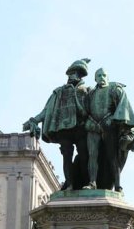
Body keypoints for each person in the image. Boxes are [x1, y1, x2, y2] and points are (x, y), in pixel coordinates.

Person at [22, 59, 90, 190]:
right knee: (66, 157)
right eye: (69, 73)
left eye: (74, 73)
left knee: (84, 155)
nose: (71, 76)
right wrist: (34, 120)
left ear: (80, 75)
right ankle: (69, 184)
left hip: (81, 128)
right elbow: (47, 110)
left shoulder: (87, 90)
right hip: (64, 129)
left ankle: (87, 183)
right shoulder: (59, 91)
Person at [85, 68, 134, 191]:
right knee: (92, 155)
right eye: (99, 75)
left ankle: (117, 185)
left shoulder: (114, 89)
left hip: (109, 126)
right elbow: (86, 111)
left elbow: (123, 109)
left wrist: (114, 121)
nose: (102, 77)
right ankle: (92, 182)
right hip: (93, 127)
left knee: (112, 155)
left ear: (108, 78)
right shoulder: (90, 94)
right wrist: (90, 122)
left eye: (104, 75)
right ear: (95, 79)